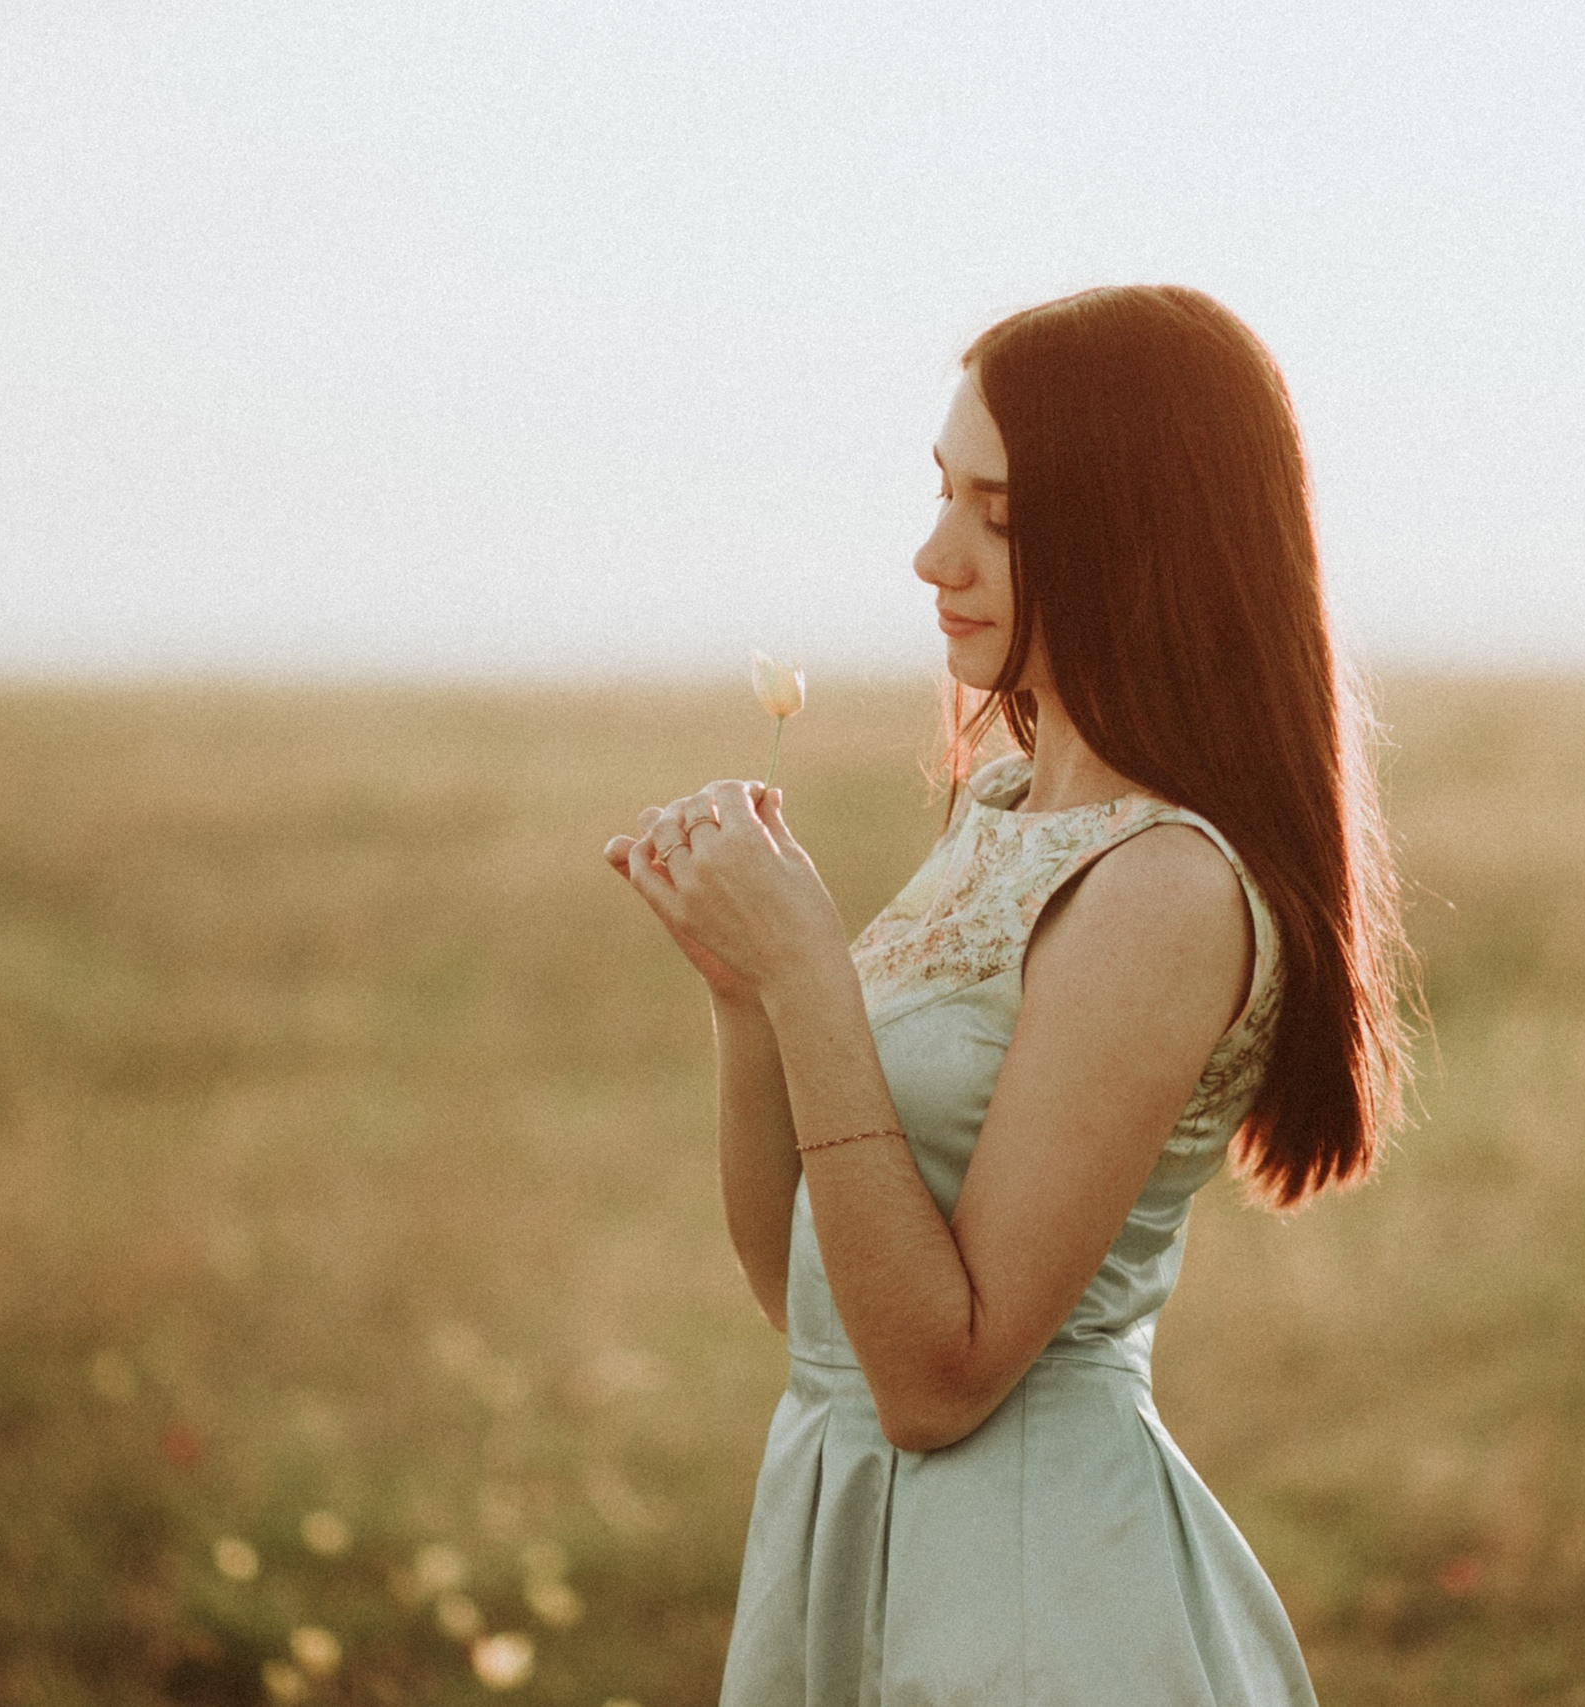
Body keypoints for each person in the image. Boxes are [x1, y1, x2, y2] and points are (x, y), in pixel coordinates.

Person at [602, 285, 1410, 1706]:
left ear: (1144, 540)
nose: (933, 555)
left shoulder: (1163, 887)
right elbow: (812, 1306)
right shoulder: (999, 808)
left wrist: (811, 976)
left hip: (1031, 1605)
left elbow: (935, 1377)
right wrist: (749, 999)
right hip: (852, 1545)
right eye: (939, 494)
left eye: (1002, 516)